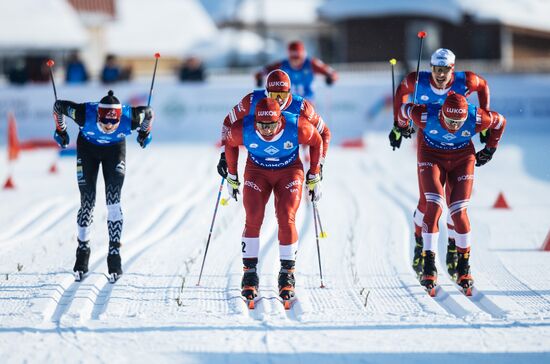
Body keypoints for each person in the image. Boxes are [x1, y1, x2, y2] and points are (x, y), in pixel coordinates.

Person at [388, 48, 491, 280]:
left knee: (455, 201)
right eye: (436, 69)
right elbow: (400, 93)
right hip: (429, 141)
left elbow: (483, 87)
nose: (440, 75)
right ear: (430, 68)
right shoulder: (418, 81)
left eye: (445, 70)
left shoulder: (467, 81)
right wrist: (398, 124)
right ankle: (419, 243)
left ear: (452, 69)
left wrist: (483, 120)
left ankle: (454, 247)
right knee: (429, 200)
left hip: (459, 144)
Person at [396, 92, 506, 293]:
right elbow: (403, 109)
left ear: (466, 117)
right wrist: (402, 126)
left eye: (459, 122)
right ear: (441, 115)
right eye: (450, 120)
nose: (454, 126)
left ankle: (464, 267)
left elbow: (500, 122)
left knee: (458, 211)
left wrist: (490, 149)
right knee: (434, 205)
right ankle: (429, 265)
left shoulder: (478, 117)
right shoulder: (424, 114)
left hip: (462, 159)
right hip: (432, 156)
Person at [224, 97, 324, 302]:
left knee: (286, 216)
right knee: (253, 217)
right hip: (256, 173)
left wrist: (314, 175)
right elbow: (229, 143)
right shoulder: (242, 129)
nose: (267, 130)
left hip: (289, 172)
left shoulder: (299, 126)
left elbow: (317, 141)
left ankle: (287, 274)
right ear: (255, 122)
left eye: (272, 125)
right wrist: (232, 176)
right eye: (262, 125)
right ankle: (249, 273)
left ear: (281, 120)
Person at [52, 90, 154, 282]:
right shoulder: (83, 113)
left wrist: (144, 132)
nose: (108, 126)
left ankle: (114, 255)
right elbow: (58, 107)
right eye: (104, 121)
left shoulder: (130, 117)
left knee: (113, 201)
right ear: (98, 115)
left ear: (119, 119)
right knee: (87, 202)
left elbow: (149, 113)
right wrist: (61, 130)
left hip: (114, 152)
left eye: (113, 122)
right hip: (87, 150)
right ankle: (82, 251)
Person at [217, 69, 331, 180]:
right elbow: (228, 122)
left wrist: (319, 164)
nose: (278, 100)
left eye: (282, 95)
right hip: (258, 162)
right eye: (274, 94)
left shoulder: (301, 107)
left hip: (290, 160)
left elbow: (324, 132)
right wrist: (223, 155)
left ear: (289, 92)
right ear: (266, 91)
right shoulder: (251, 101)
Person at [254, 41, 338, 101]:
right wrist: (259, 78)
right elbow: (262, 71)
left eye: (298, 59)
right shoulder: (282, 64)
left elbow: (332, 73)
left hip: (307, 102)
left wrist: (330, 78)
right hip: (287, 101)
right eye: (293, 59)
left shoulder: (312, 64)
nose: (295, 62)